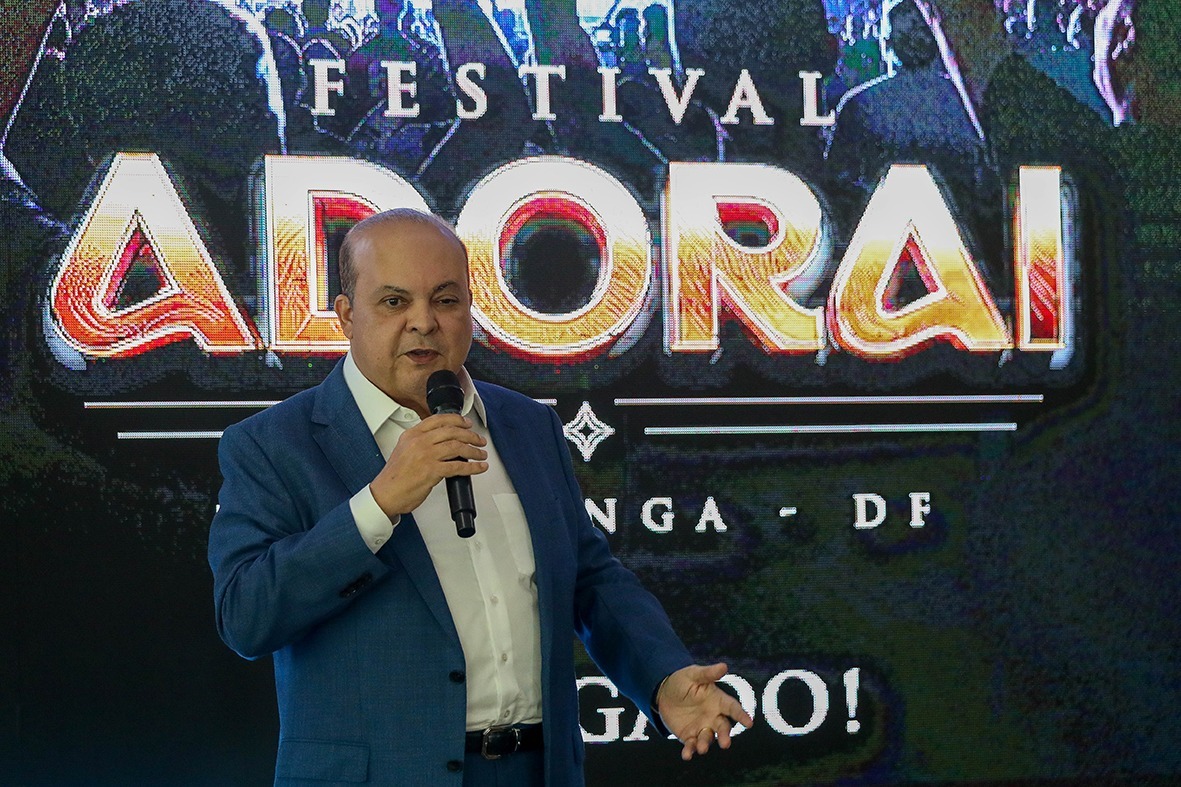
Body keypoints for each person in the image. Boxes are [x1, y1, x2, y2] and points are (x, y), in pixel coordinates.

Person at [207, 208, 752, 785]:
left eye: (445, 300)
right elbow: (246, 617)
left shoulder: (527, 425)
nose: (423, 322)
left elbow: (589, 579)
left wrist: (661, 678)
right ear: (346, 314)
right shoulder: (273, 444)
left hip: (536, 770)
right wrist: (379, 503)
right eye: (394, 302)